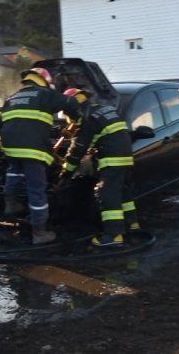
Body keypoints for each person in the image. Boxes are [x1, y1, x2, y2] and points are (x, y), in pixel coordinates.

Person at [0, 67, 80, 244]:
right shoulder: (44, 94)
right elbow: (71, 103)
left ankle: (10, 204)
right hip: (33, 150)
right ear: (43, 81)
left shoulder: (11, 98)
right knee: (36, 189)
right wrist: (76, 121)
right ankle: (39, 233)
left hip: (11, 147)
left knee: (14, 171)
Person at [60, 88, 138, 247]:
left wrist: (66, 171)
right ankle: (132, 225)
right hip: (125, 156)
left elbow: (78, 150)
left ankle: (114, 235)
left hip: (112, 159)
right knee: (122, 192)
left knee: (107, 194)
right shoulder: (104, 110)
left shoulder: (89, 119)